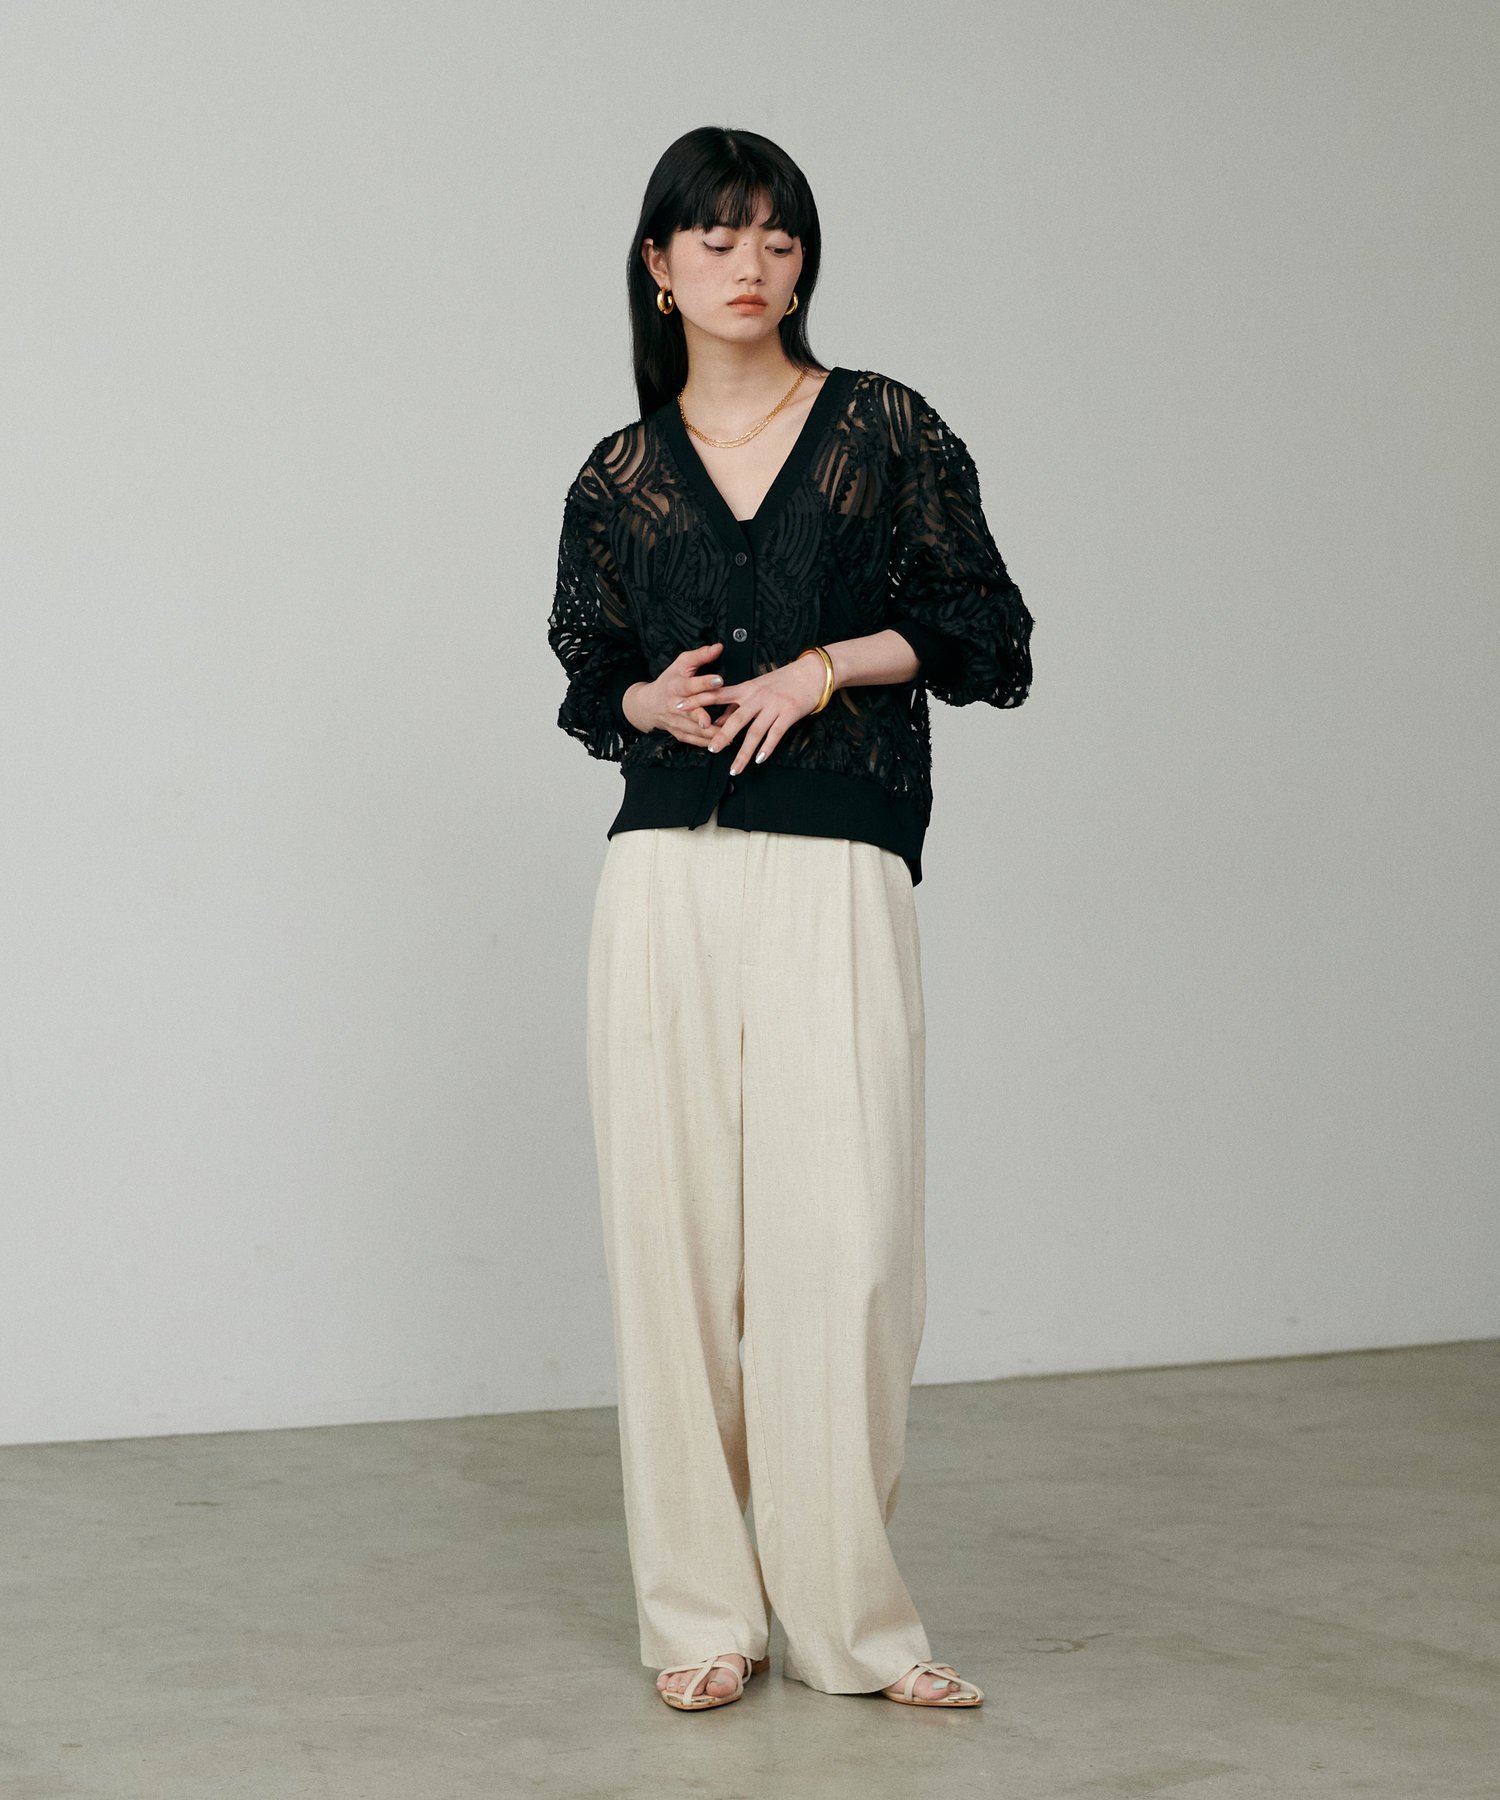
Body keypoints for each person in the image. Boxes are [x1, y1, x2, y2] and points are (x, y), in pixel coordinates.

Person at [546, 125, 1033, 1712]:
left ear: (803, 261)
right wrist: (650, 700)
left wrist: (821, 669)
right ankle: (703, 1616)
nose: (749, 265)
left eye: (777, 238)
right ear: (659, 265)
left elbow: (985, 628)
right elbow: (591, 676)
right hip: (664, 872)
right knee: (672, 1246)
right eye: (717, 238)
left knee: (848, 1241)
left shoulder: (883, 427)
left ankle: (851, 1625)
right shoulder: (619, 474)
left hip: (837, 857)